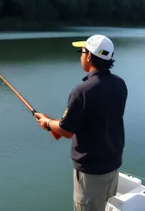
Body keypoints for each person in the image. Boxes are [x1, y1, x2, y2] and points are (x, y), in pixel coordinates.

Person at [35, 34, 128, 211]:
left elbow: (66, 131)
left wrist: (47, 123)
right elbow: (96, 118)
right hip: (112, 167)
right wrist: (56, 123)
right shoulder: (119, 84)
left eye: (82, 52)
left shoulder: (82, 91)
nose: (80, 56)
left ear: (90, 56)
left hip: (91, 173)